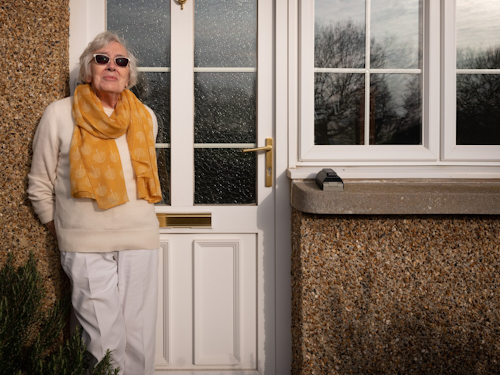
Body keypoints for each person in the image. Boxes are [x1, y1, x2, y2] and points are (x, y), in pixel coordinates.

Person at [28, 31, 161, 375]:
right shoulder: (59, 114)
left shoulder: (146, 117)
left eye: (121, 61)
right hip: (85, 244)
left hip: (139, 239)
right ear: (88, 71)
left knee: (139, 338)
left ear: (129, 75)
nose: (112, 66)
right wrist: (61, 229)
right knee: (104, 340)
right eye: (102, 59)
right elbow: (39, 183)